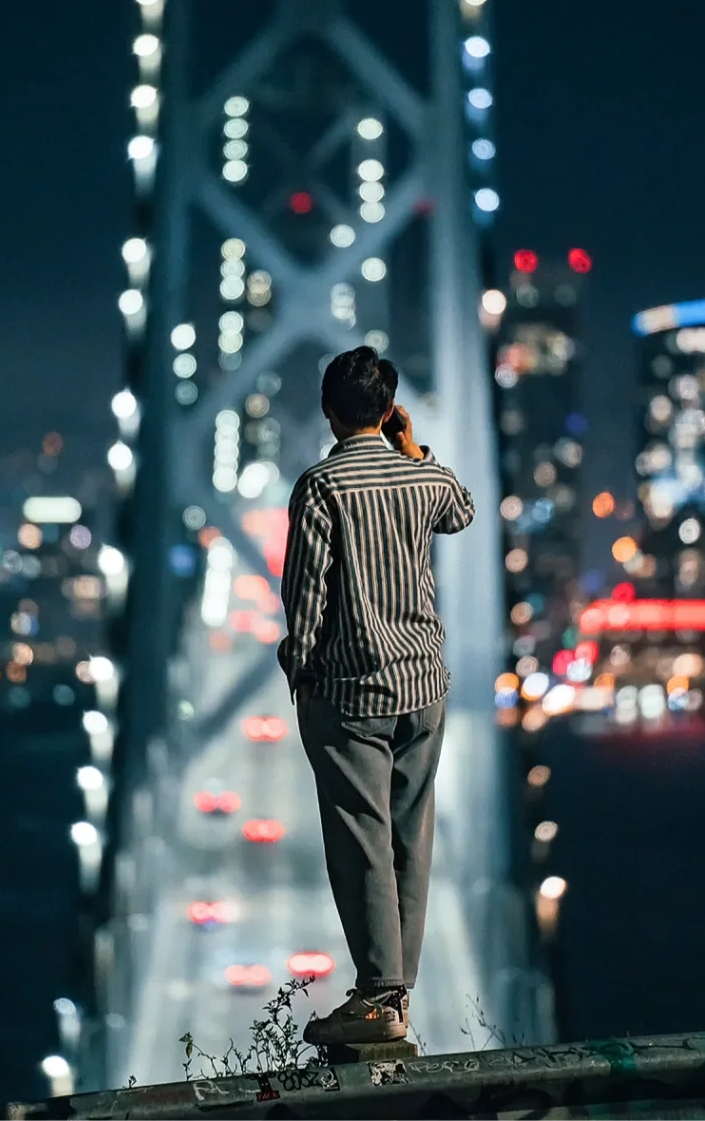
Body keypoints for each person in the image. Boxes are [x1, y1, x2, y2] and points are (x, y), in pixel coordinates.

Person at [278, 346, 476, 1046]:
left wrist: (299, 669)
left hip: (353, 692)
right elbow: (463, 508)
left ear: (330, 413)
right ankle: (397, 995)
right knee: (407, 841)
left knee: (360, 839)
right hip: (423, 685)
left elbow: (305, 596)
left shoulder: (321, 487)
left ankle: (377, 1000)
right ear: (387, 410)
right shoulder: (422, 480)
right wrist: (412, 446)